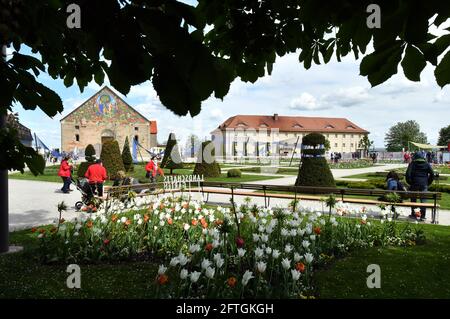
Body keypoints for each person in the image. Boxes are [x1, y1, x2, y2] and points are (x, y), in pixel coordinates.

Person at [406, 151, 435, 221]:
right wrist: (428, 182)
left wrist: (410, 182)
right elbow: (432, 174)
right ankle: (422, 216)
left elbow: (408, 174)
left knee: (413, 200)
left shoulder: (412, 164)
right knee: (423, 200)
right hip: (423, 184)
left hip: (414, 184)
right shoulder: (426, 164)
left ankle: (414, 214)